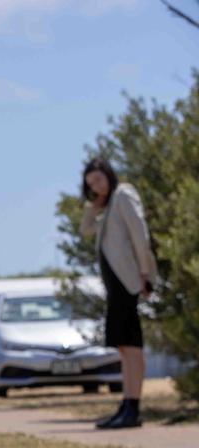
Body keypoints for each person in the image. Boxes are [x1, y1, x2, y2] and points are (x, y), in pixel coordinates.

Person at [79, 158, 158, 430]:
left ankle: (133, 407)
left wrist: (146, 273)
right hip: (115, 285)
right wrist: (94, 205)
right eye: (91, 184)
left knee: (132, 347)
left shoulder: (124, 194)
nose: (96, 187)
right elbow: (85, 229)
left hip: (129, 281)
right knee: (125, 347)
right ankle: (126, 404)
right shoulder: (106, 207)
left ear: (109, 175)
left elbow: (139, 234)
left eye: (99, 180)